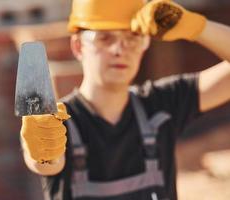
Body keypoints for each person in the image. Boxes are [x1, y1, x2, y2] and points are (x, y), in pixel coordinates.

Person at [20, 0, 230, 199]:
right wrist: (43, 151)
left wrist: (198, 27)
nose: (119, 50)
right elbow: (45, 160)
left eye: (132, 37)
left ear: (144, 44)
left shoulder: (162, 104)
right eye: (105, 38)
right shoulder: (55, 122)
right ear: (78, 46)